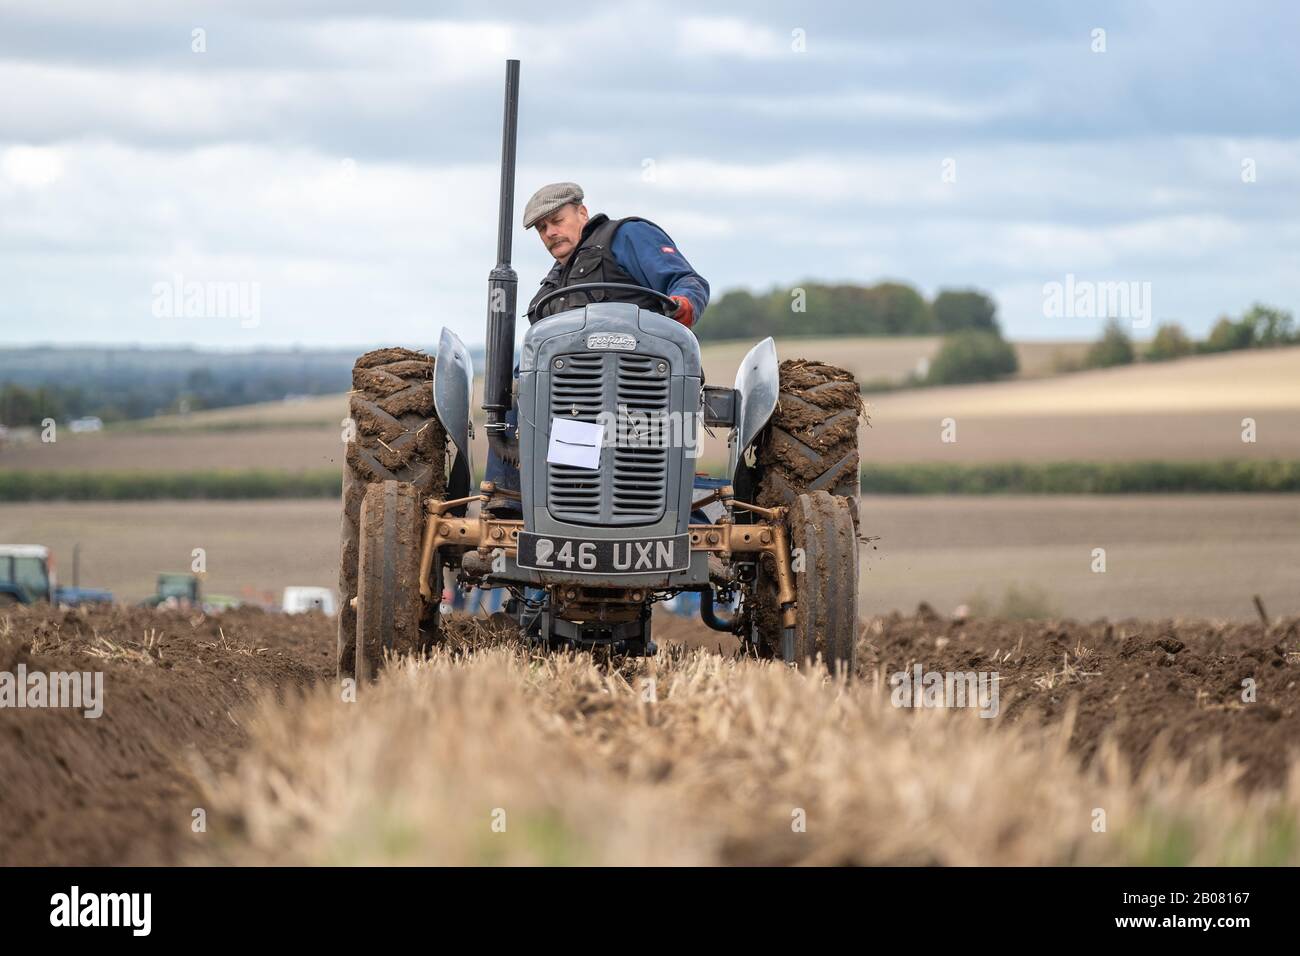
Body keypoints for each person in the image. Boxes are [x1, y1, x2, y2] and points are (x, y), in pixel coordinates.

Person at [484, 183, 710, 509]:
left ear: (582, 213)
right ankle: (511, 503)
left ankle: (675, 514)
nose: (550, 233)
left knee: (647, 480)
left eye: (556, 220)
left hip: (643, 393)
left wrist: (684, 305)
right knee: (518, 380)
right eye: (542, 228)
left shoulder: (624, 236)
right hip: (574, 407)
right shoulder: (554, 282)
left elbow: (687, 282)